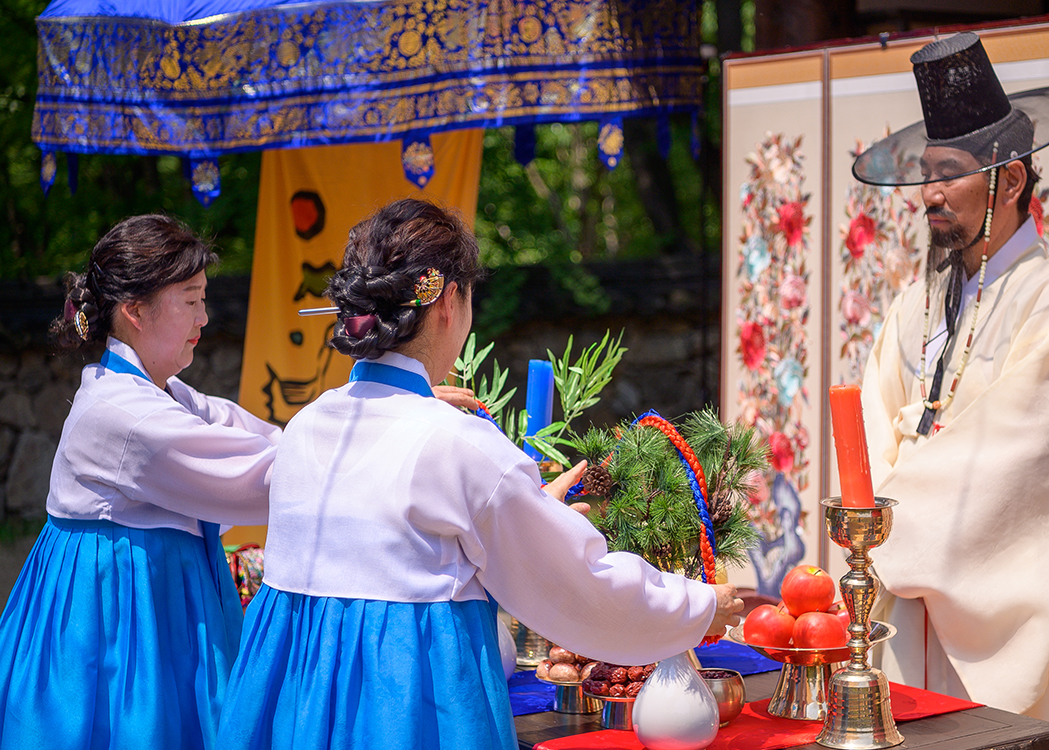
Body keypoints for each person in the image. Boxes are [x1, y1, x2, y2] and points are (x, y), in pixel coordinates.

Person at [215, 198, 743, 750]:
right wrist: (699, 605)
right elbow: (577, 585)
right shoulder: (457, 443)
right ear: (448, 302)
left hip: (294, 703)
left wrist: (530, 510)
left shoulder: (307, 424)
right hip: (405, 702)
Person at [852, 32, 1049, 747]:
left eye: (949, 173)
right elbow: (874, 423)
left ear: (1010, 181)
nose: (928, 193)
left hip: (989, 628)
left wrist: (888, 532)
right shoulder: (918, 304)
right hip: (903, 609)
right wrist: (876, 534)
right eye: (927, 173)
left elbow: (1012, 470)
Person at [0, 215, 282, 749]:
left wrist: (378, 416)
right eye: (191, 298)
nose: (205, 314)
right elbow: (262, 476)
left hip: (146, 605)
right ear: (135, 310)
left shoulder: (161, 393)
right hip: (117, 623)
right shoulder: (128, 415)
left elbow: (268, 440)